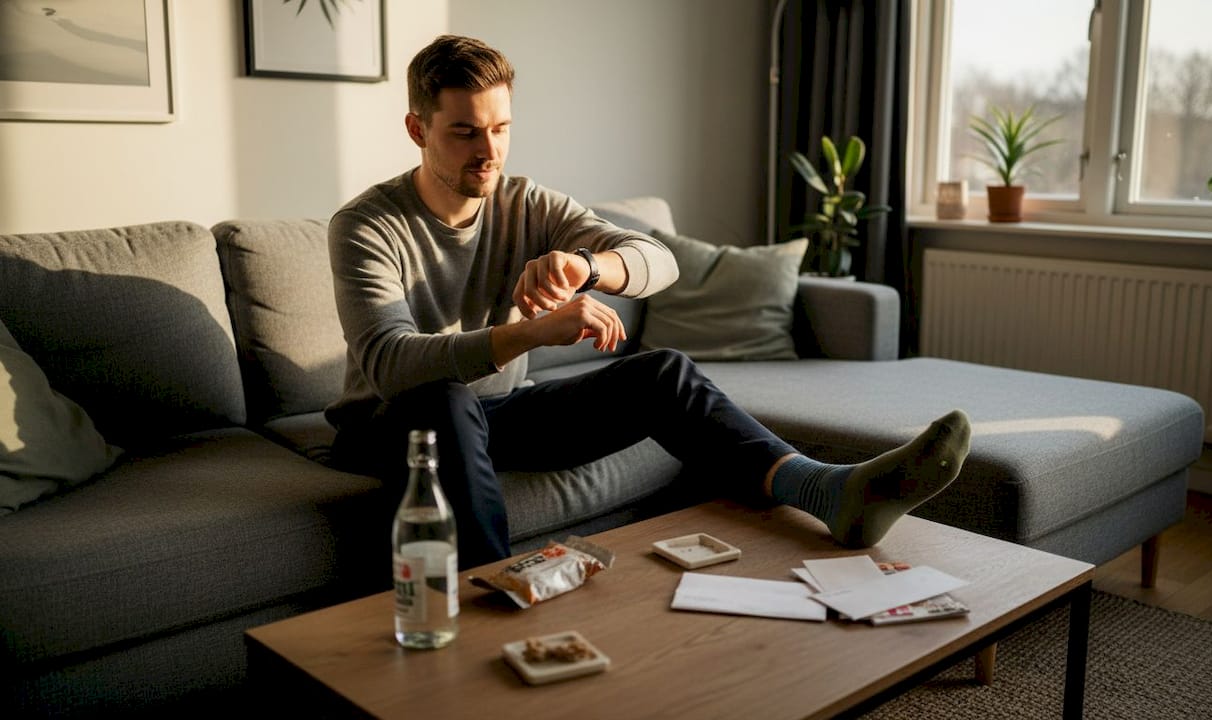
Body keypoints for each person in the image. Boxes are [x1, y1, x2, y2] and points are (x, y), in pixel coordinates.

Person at [326, 34, 971, 569]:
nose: (489, 152)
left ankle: (828, 490)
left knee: (662, 373)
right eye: (465, 132)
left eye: (501, 128)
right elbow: (391, 364)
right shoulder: (365, 225)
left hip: (496, 416)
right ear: (418, 128)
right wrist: (531, 332)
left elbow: (658, 260)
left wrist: (587, 265)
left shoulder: (525, 203)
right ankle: (493, 590)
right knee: (444, 398)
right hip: (391, 427)